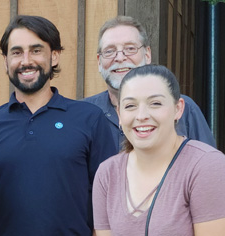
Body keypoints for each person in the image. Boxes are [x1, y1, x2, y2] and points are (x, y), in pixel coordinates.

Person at [0, 15, 118, 235]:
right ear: (5, 61)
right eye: (16, 52)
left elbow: (108, 198)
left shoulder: (90, 119)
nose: (26, 60)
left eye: (36, 50)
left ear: (54, 56)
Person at [92, 64, 225, 235]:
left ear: (178, 109)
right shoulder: (107, 173)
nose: (141, 116)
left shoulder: (206, 165)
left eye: (155, 103)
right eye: (130, 106)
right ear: (119, 114)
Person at [83, 16, 214, 148]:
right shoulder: (83, 113)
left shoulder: (183, 108)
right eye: (110, 51)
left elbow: (209, 164)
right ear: (99, 61)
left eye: (130, 48)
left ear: (147, 55)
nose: (120, 58)